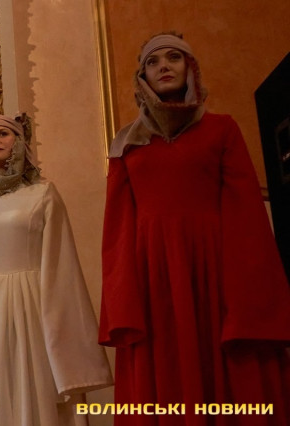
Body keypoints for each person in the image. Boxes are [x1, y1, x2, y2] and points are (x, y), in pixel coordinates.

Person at [100, 32, 290, 425]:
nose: (164, 67)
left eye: (174, 57)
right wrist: (122, 295)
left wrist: (248, 285)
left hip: (214, 266)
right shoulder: (126, 143)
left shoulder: (222, 129)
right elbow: (117, 227)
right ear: (142, 77)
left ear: (191, 68)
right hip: (153, 275)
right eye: (153, 62)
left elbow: (245, 208)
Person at [0, 113, 113, 426]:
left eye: (2, 134)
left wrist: (60, 323)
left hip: (33, 306)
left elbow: (61, 262)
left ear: (18, 141)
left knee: (37, 384)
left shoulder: (42, 193)